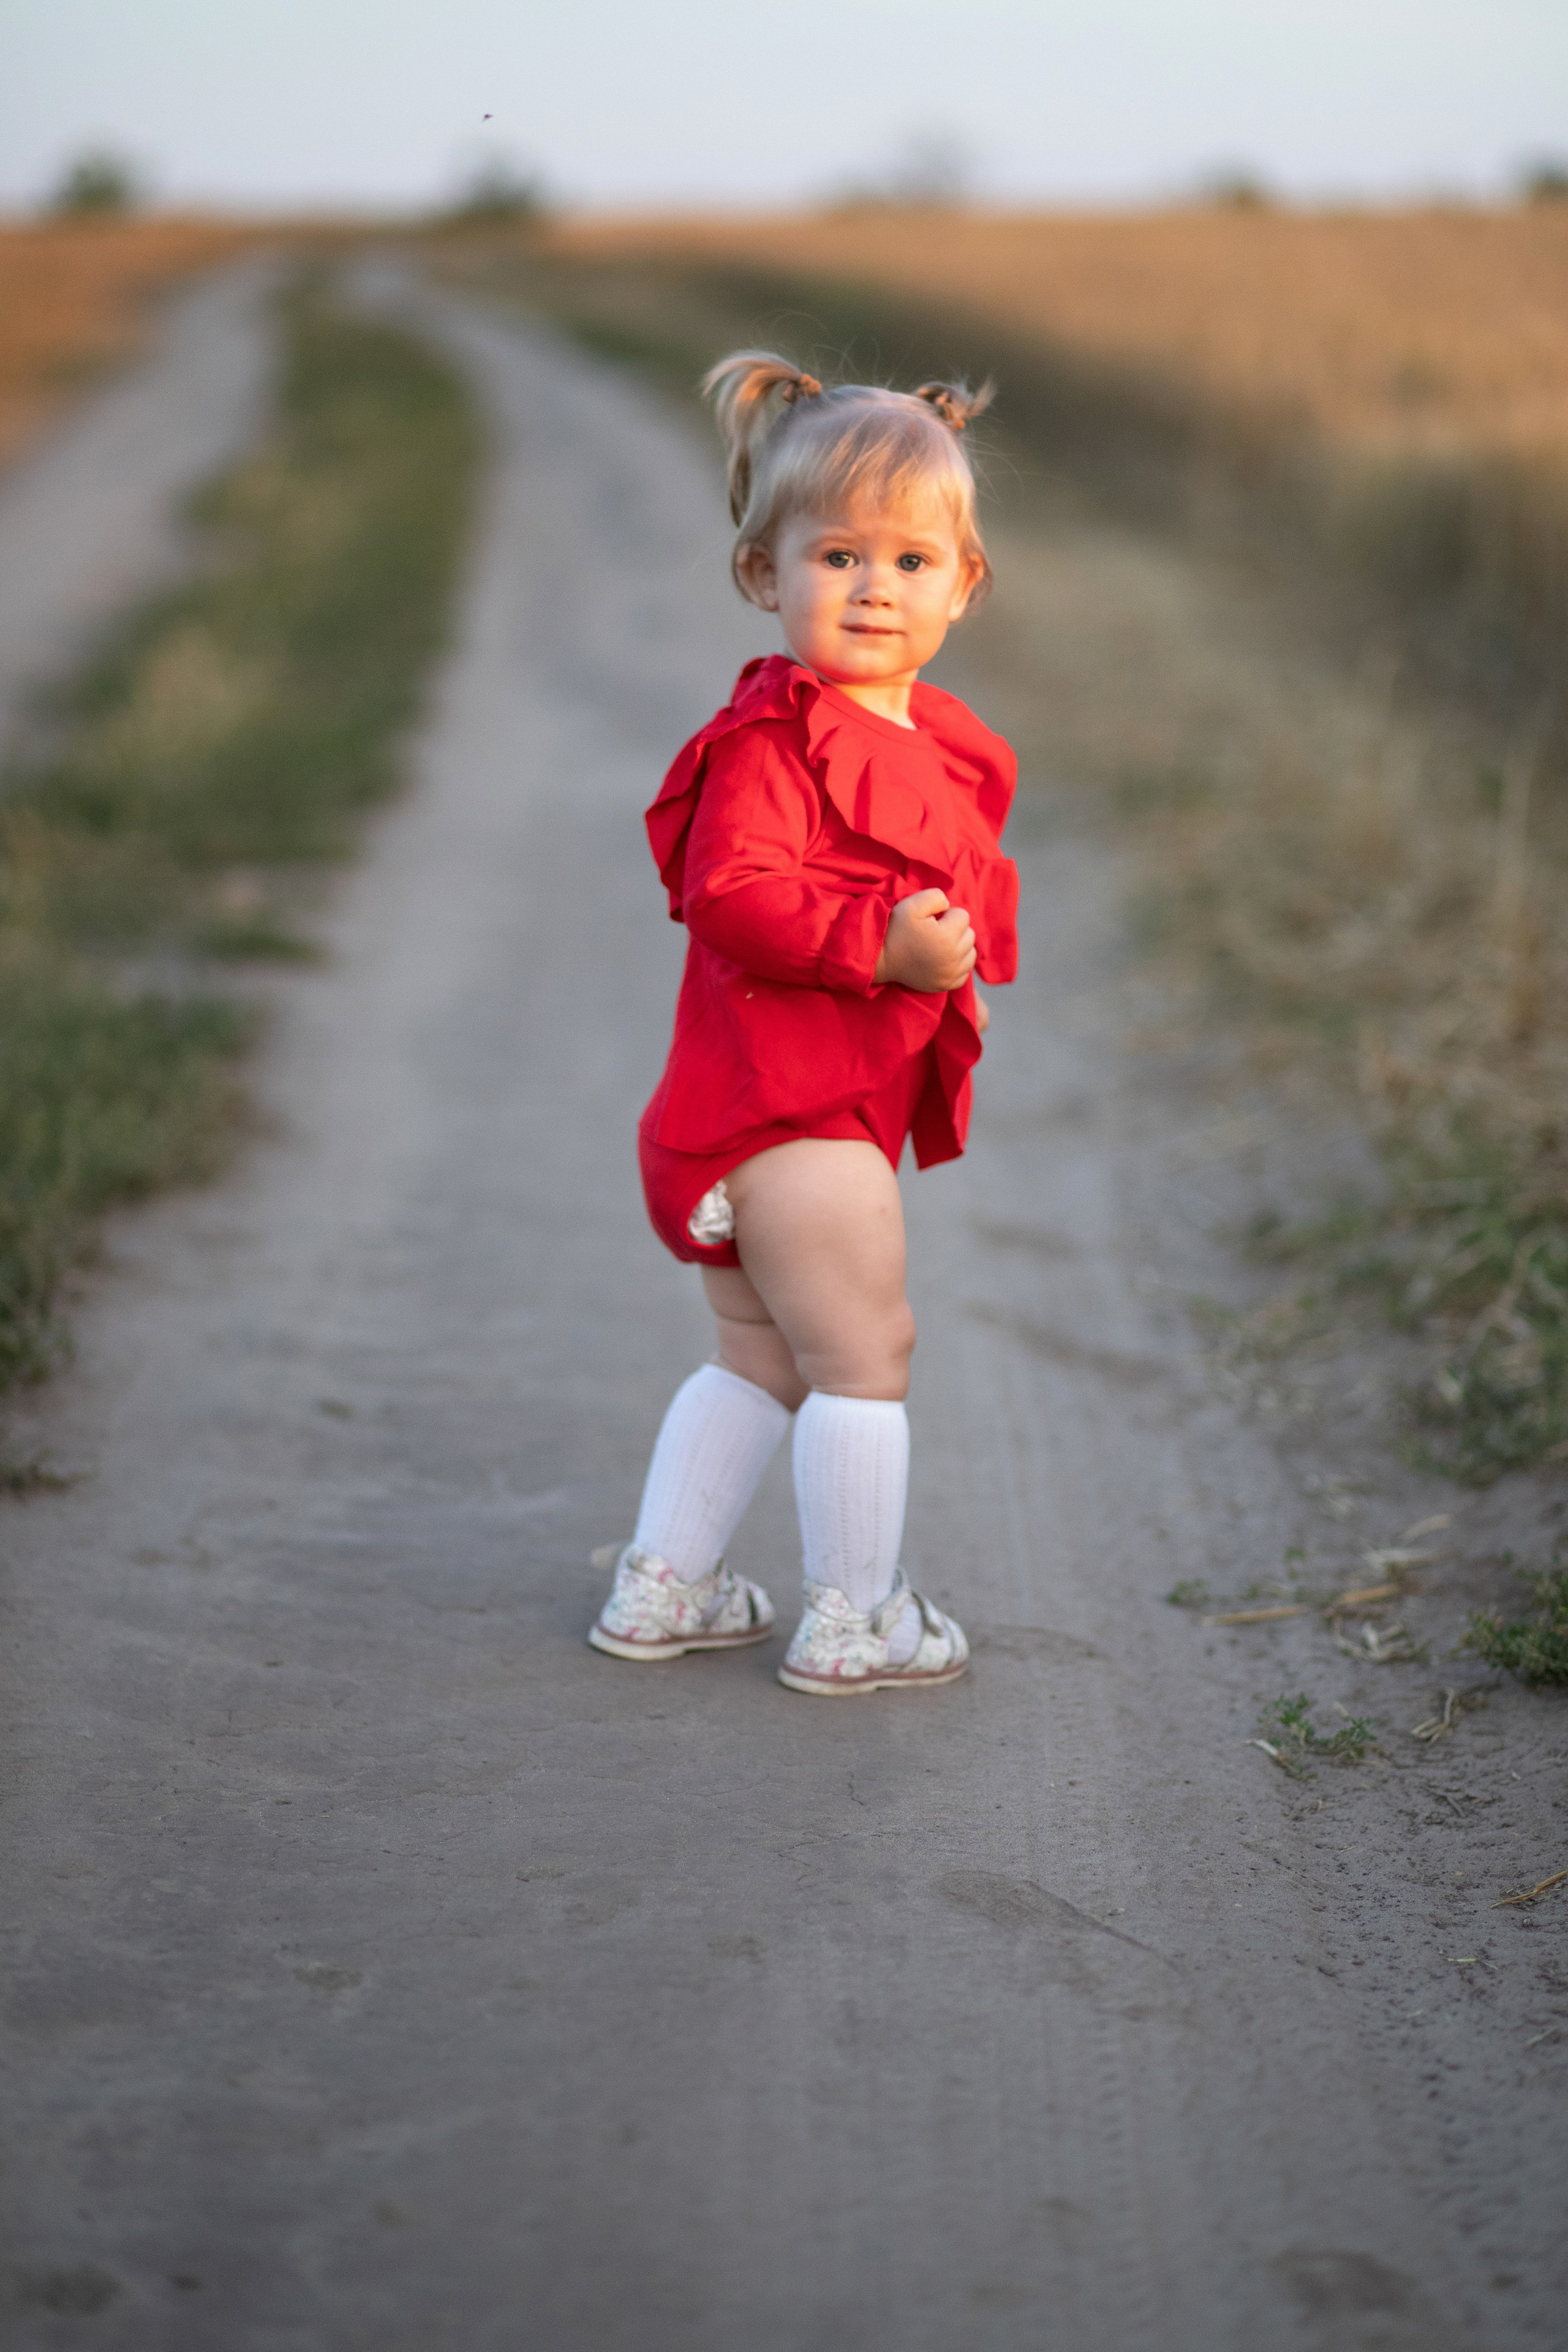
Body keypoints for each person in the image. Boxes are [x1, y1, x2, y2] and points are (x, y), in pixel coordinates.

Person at [589, 350, 1019, 1695]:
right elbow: (730, 894)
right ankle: (855, 1612)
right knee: (865, 1354)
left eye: (905, 559)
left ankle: (667, 1585)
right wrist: (878, 946)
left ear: (962, 583)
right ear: (760, 575)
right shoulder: (772, 740)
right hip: (790, 1114)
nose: (872, 587)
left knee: (760, 1352)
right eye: (834, 556)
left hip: (751, 1114)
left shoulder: (927, 737)